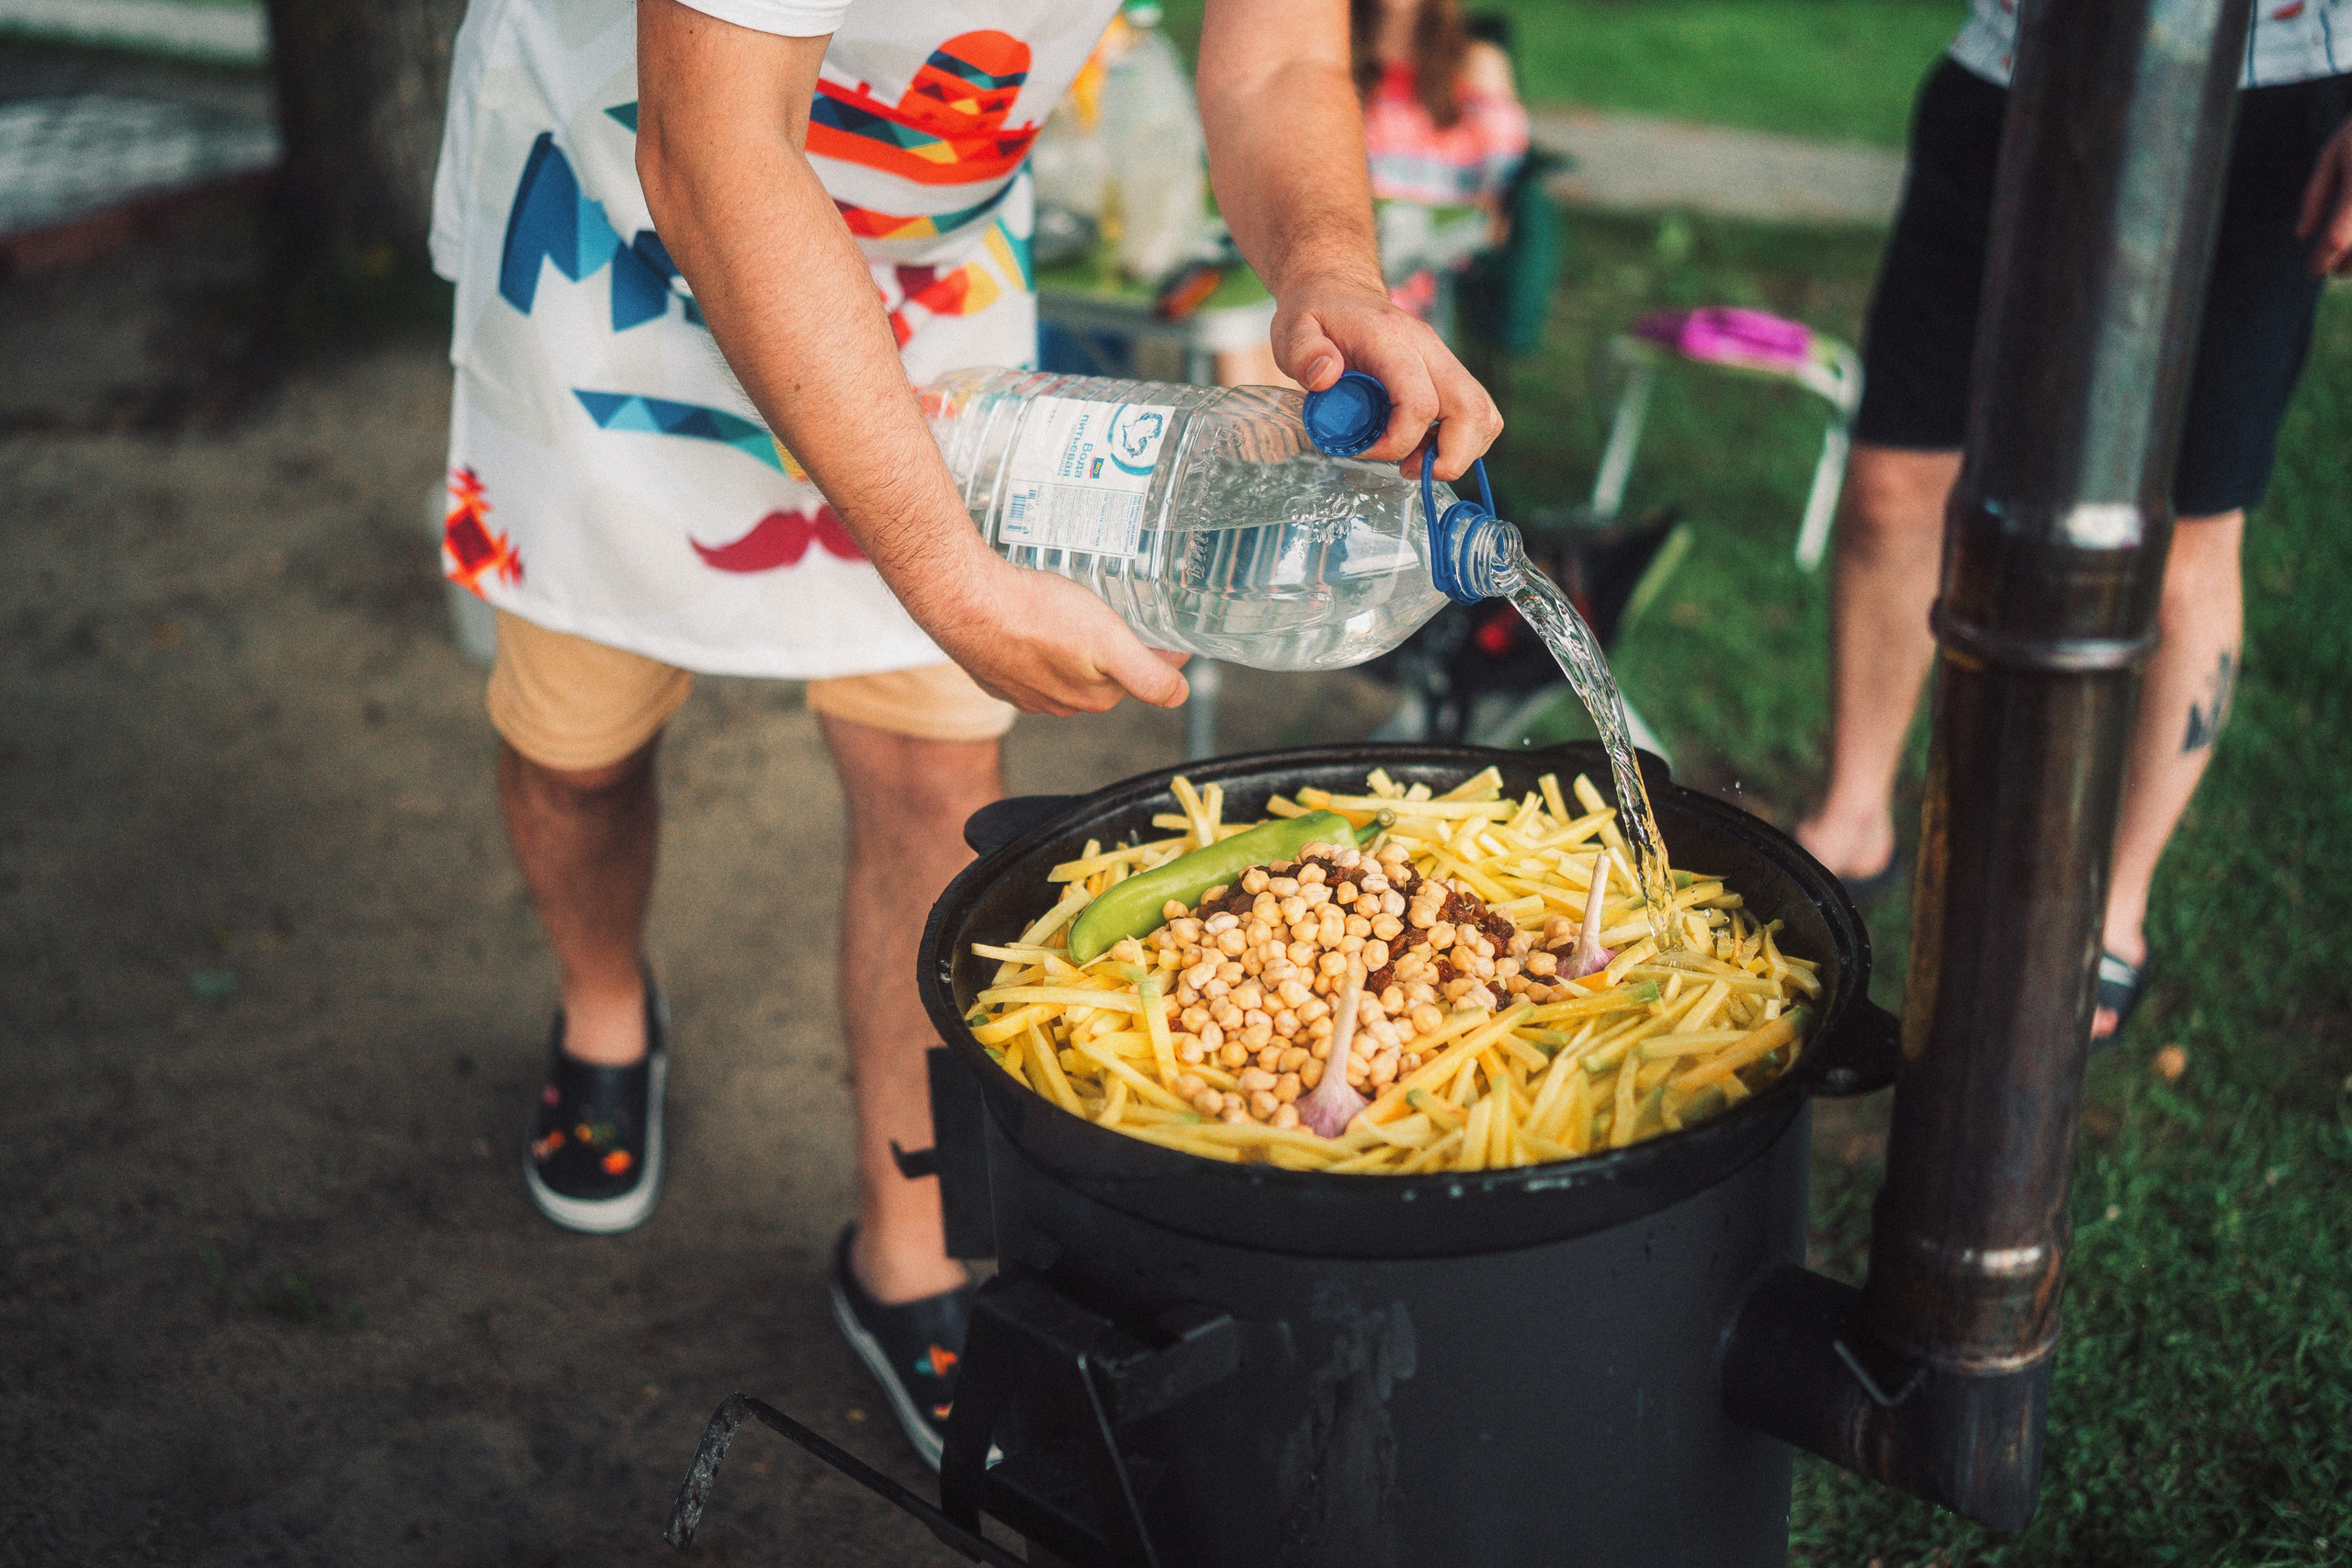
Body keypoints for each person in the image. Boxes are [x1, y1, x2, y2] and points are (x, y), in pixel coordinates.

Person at [428, 0, 1500, 1468]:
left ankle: (911, 1248)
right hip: (624, 223)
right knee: (577, 744)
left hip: (932, 275)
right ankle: (604, 1004)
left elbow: (1280, 56)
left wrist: (1328, 265)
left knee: (939, 776)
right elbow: (716, 148)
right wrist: (939, 561)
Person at [1794, 0, 2352, 1044]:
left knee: (2184, 540)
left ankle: (2114, 904)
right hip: (2013, 65)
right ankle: (1853, 821)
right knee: (1892, 488)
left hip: (2262, 96)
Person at [1351, 0, 1529, 324]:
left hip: (1438, 227)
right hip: (1365, 222)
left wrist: (1493, 206)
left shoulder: (1476, 63)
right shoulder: (1347, 68)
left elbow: (1505, 162)